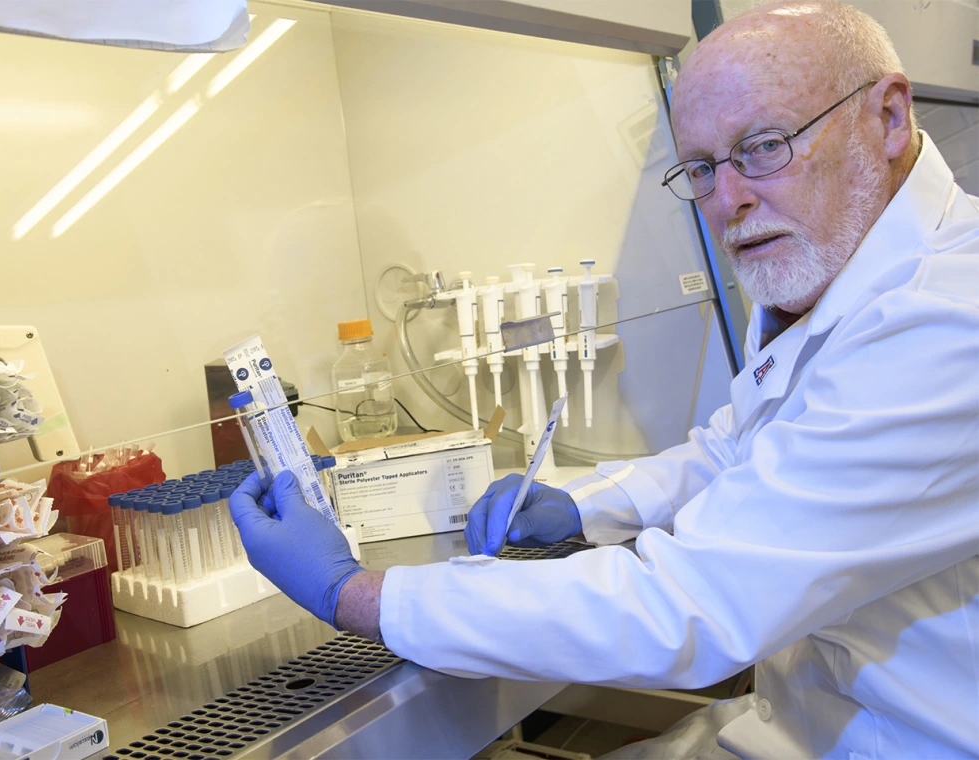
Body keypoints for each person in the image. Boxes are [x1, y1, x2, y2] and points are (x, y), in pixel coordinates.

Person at [229, 2, 979, 757]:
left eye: (765, 145)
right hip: (807, 722)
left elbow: (688, 603)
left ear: (887, 116)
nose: (729, 200)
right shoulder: (845, 270)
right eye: (701, 169)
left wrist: (351, 593)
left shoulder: (949, 319)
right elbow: (739, 451)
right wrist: (584, 507)